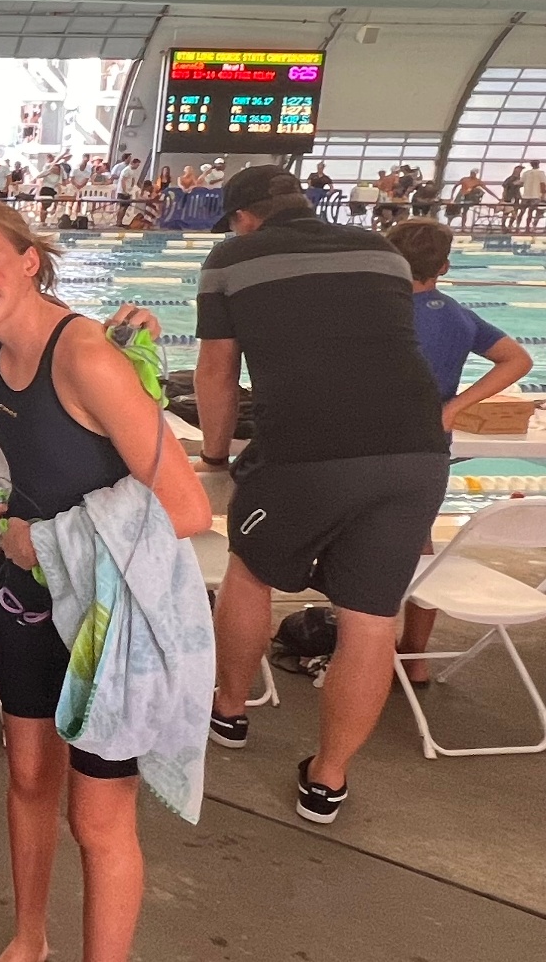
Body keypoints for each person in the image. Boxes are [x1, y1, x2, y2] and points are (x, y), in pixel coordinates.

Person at [0, 201, 208, 962]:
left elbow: (186, 508)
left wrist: (44, 539)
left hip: (108, 618)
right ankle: (29, 939)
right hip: (26, 600)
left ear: (31, 261)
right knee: (27, 778)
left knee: (97, 817)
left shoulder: (84, 357)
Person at [196, 167, 448, 827]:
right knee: (370, 618)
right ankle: (327, 780)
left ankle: (230, 711)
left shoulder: (231, 257)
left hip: (306, 453)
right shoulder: (382, 251)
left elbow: (217, 370)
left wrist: (216, 456)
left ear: (243, 217)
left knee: (250, 573)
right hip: (417, 452)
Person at [383, 219, 535, 683]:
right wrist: (455, 406)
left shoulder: (376, 311)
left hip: (375, 446)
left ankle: (367, 648)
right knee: (421, 546)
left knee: (365, 549)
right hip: (428, 450)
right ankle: (415, 657)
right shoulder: (455, 314)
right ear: (445, 267)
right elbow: (519, 359)